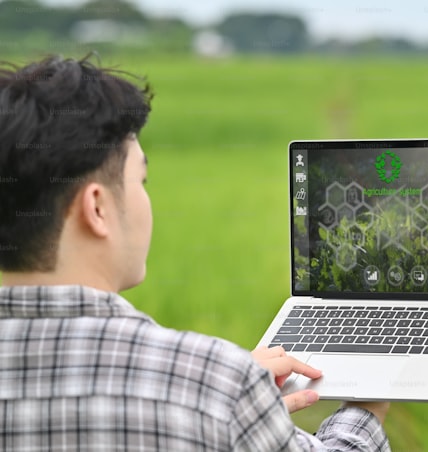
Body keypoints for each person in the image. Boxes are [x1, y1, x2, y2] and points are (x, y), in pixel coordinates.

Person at [0, 55, 391, 451]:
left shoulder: (215, 385)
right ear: (97, 208)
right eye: (142, 179)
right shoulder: (210, 384)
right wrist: (366, 407)